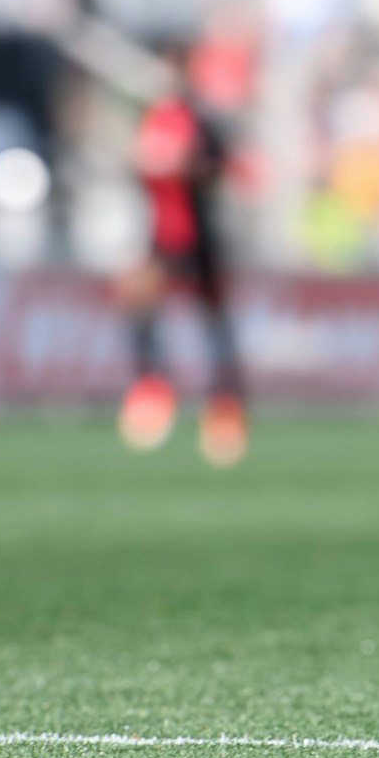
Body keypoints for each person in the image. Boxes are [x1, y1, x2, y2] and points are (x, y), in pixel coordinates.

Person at [117, 58, 249, 468]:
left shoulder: (199, 122)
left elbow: (215, 168)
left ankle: (224, 408)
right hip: (162, 233)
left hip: (198, 235)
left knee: (212, 320)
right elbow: (139, 167)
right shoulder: (153, 118)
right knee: (140, 304)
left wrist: (188, 166)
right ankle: (152, 390)